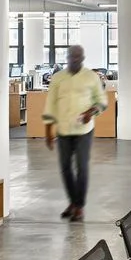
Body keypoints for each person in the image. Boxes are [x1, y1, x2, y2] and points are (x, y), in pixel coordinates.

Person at [42, 45, 107, 223]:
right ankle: (72, 202)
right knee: (65, 167)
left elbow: (101, 101)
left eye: (78, 57)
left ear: (83, 58)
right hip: (63, 130)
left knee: (82, 166)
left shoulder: (91, 77)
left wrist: (90, 113)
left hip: (83, 131)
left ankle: (79, 206)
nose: (75, 59)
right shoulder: (58, 78)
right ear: (67, 57)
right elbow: (51, 104)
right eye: (72, 56)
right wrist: (48, 131)